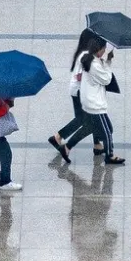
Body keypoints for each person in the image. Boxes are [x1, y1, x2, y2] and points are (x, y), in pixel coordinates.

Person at [48, 29, 105, 162]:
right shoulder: (85, 55)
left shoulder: (87, 53)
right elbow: (80, 76)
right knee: (90, 120)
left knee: (85, 118)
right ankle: (61, 140)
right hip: (81, 92)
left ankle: (97, 145)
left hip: (79, 91)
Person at [78, 40, 125, 165]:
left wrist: (105, 61)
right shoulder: (94, 65)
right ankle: (109, 155)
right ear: (98, 50)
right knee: (107, 131)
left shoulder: (91, 60)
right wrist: (108, 62)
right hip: (95, 104)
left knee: (105, 128)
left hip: (92, 101)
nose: (105, 51)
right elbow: (106, 79)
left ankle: (98, 147)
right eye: (103, 49)